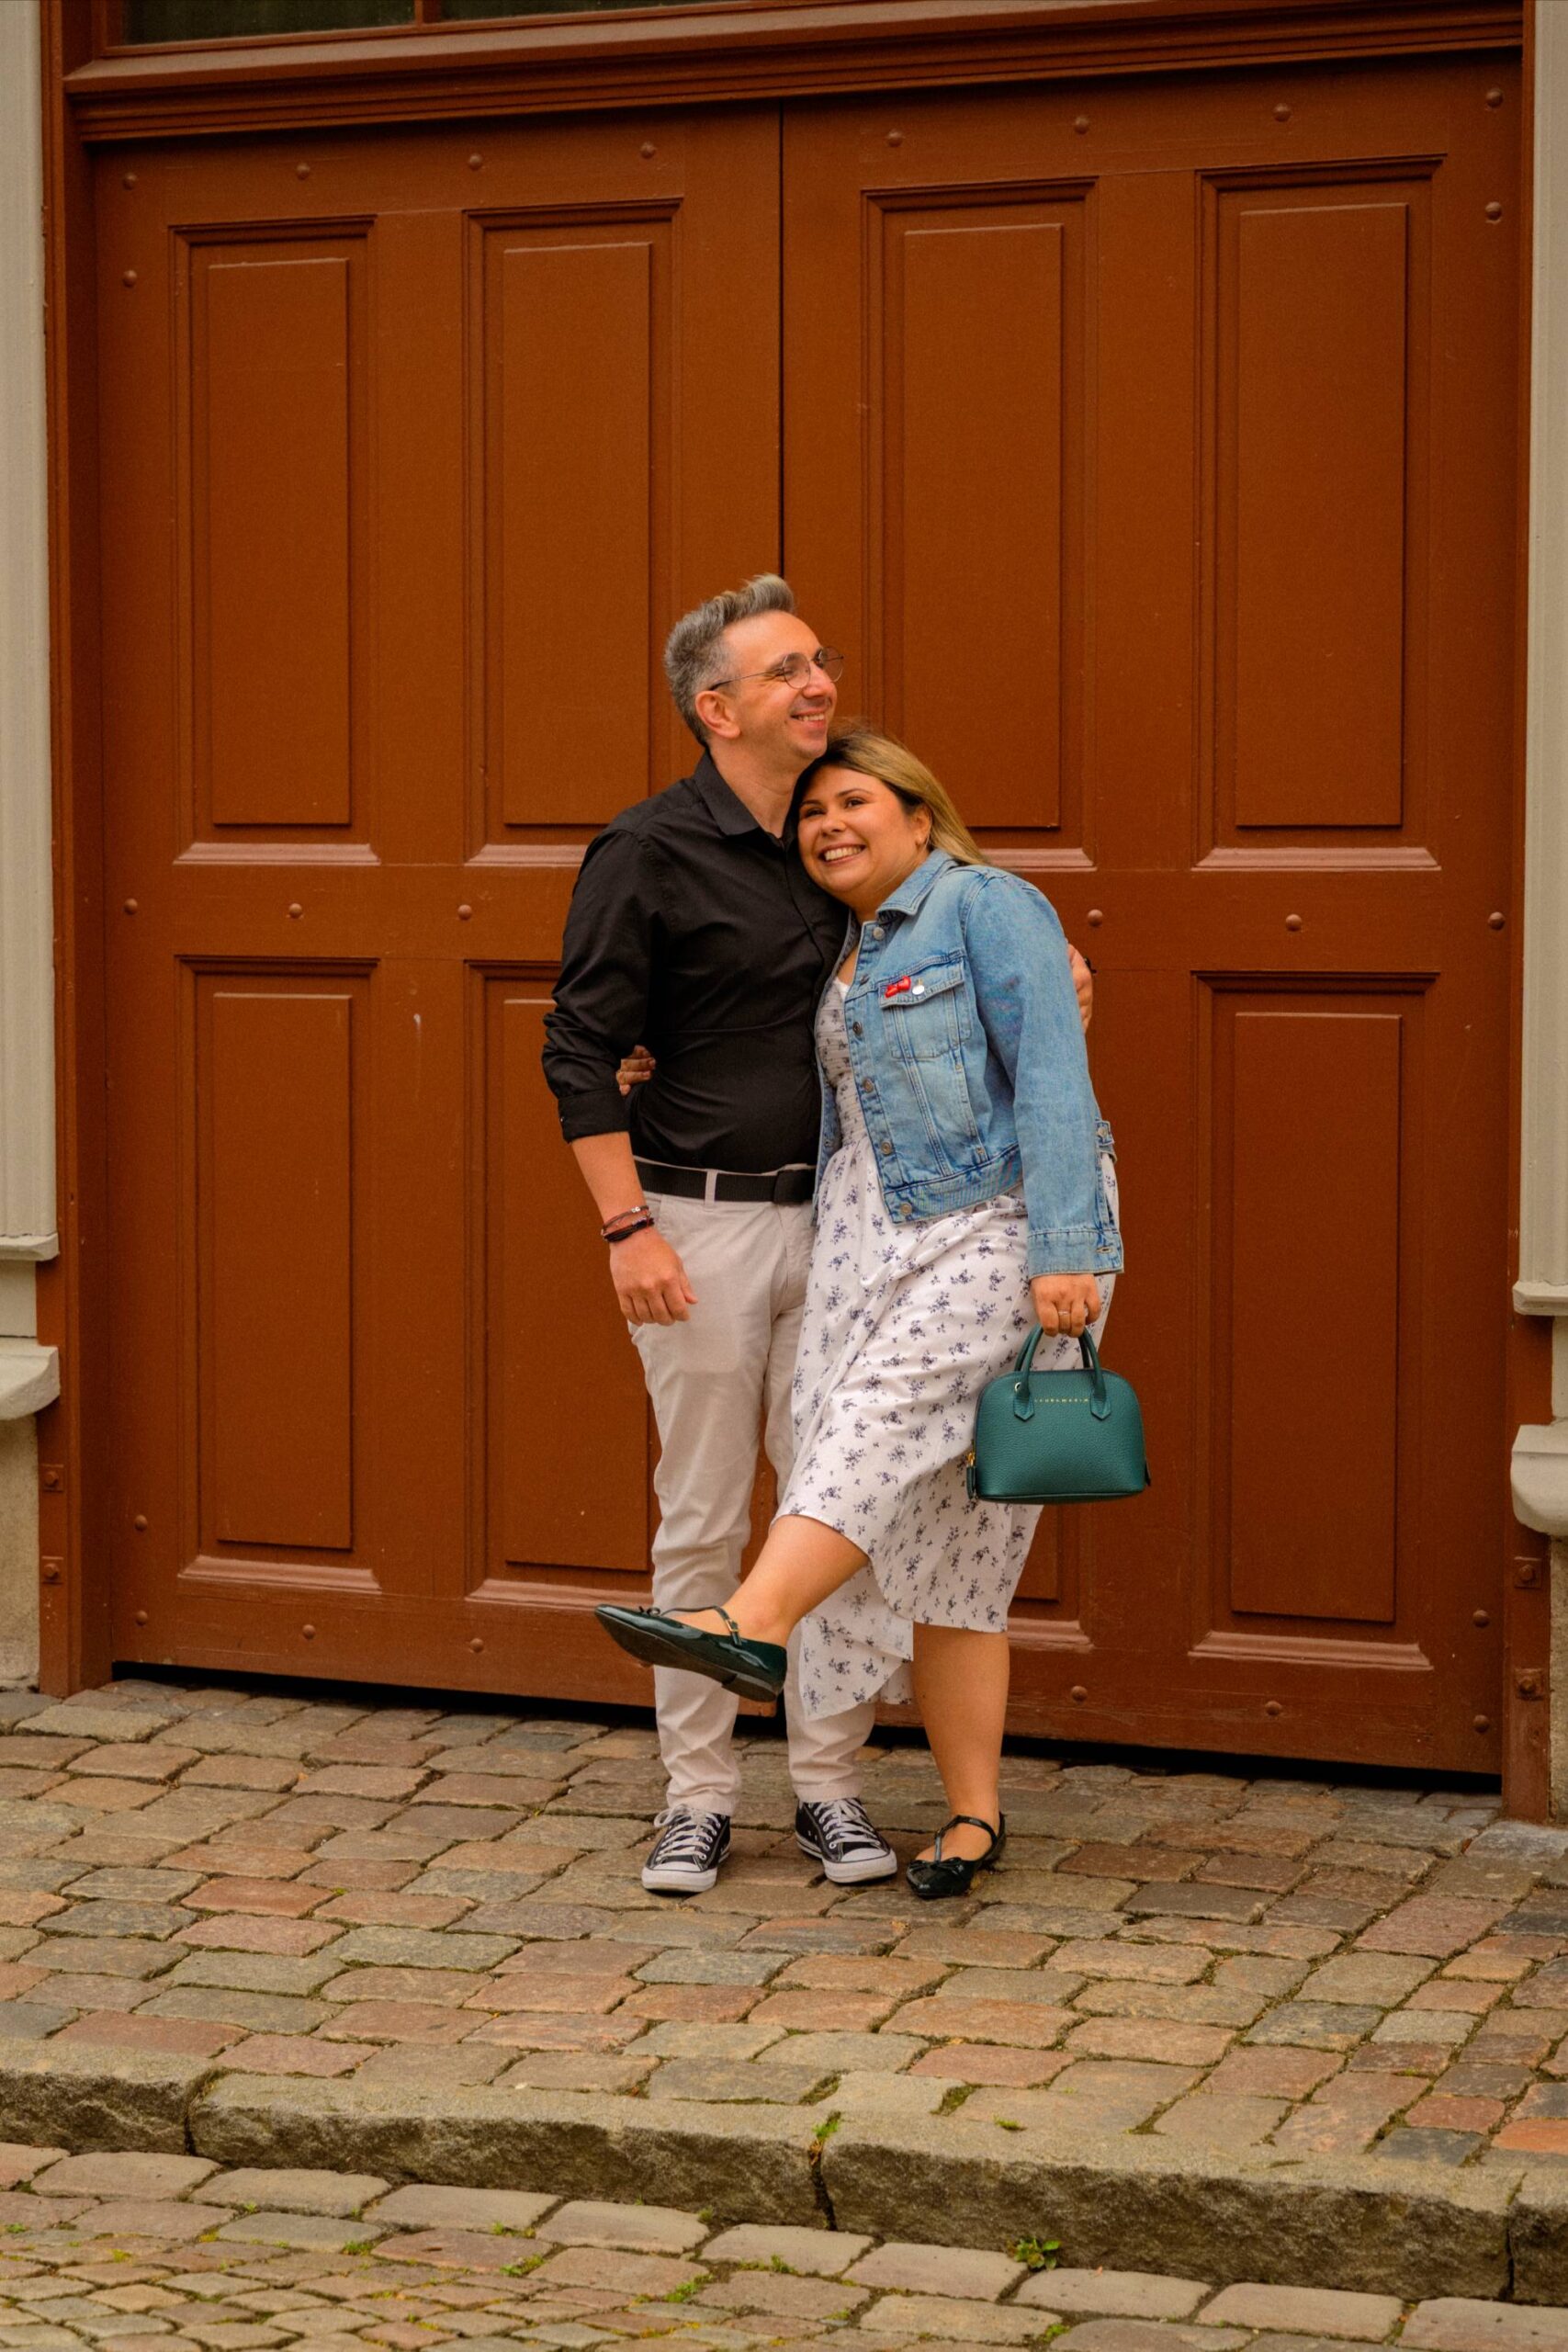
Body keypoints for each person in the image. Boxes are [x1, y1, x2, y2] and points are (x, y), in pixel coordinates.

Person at [542, 577, 1093, 1896]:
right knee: (701, 1505)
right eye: (785, 670)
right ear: (714, 707)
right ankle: (696, 1797)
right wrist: (627, 1225)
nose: (817, 684)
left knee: (841, 1498)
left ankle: (829, 1789)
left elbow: (972, 990)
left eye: (819, 661)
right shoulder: (646, 851)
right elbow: (579, 1045)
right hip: (700, 1220)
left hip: (859, 1229)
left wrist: (1063, 975)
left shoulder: (849, 845)